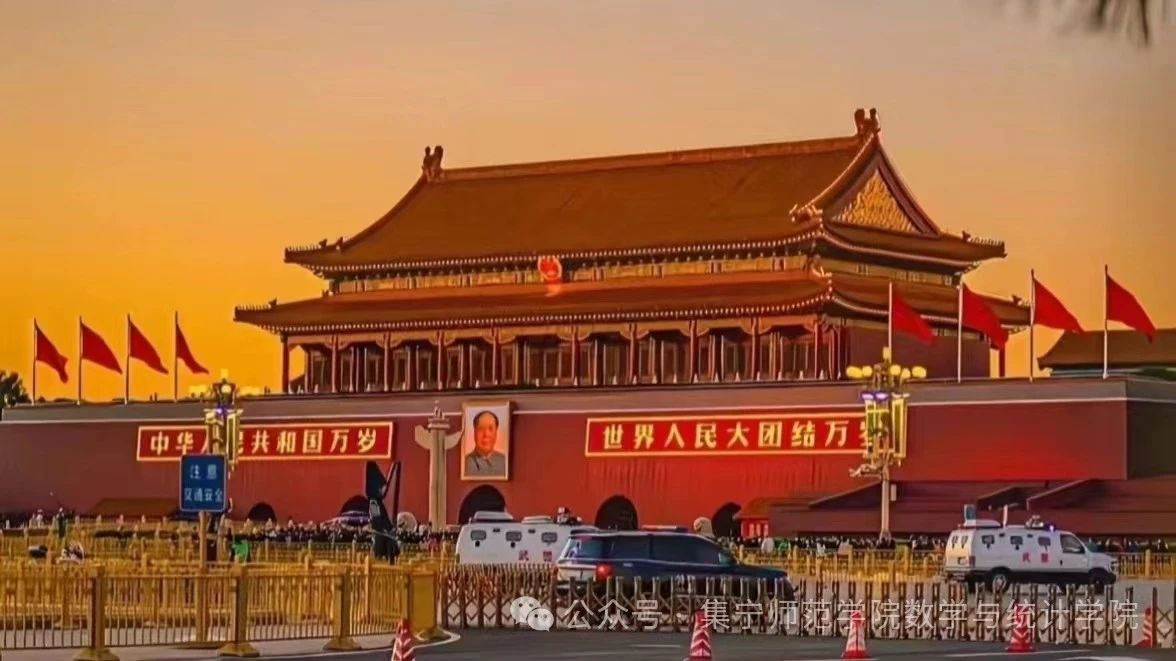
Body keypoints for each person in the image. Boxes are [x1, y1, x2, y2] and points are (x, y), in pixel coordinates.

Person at [464, 410, 507, 477]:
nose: (486, 434)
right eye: (481, 429)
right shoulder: (465, 463)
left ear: (496, 433)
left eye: (490, 429)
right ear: (474, 432)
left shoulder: (505, 462)